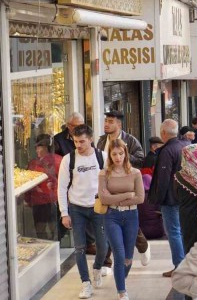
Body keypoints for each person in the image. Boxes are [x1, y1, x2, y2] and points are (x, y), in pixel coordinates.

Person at [57, 125, 108, 298]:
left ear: (91, 139)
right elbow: (61, 187)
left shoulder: (102, 157)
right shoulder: (68, 159)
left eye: (82, 141)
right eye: (76, 141)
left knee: (103, 246)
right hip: (76, 208)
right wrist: (64, 212)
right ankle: (86, 283)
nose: (78, 145)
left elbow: (110, 182)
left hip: (98, 206)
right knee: (79, 248)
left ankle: (97, 267)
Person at [97, 111, 150, 271]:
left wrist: (124, 155)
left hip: (126, 186)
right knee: (108, 225)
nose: (106, 124)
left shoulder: (130, 140)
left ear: (119, 125)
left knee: (127, 225)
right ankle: (106, 261)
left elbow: (141, 159)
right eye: (106, 121)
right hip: (108, 186)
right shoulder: (101, 141)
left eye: (110, 121)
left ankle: (143, 245)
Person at [98, 139, 145, 300]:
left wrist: (115, 198)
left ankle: (120, 278)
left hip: (131, 216)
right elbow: (104, 198)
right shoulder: (104, 173)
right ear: (110, 156)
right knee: (119, 254)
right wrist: (126, 195)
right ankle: (122, 292)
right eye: (114, 154)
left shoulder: (135, 173)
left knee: (128, 257)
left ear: (126, 154)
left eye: (120, 153)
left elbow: (140, 198)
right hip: (112, 216)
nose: (118, 157)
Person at [148, 119, 190, 277]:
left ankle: (179, 266)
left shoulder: (167, 151)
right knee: (181, 231)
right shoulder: (184, 146)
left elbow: (163, 178)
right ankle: (185, 264)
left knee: (173, 231)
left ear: (163, 133)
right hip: (185, 196)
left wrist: (157, 199)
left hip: (171, 199)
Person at [26, 138, 62, 240]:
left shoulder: (38, 163)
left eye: (38, 147)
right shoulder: (59, 159)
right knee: (52, 225)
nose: (37, 150)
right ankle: (53, 245)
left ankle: (48, 244)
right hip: (51, 199)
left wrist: (28, 199)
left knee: (42, 226)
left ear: (46, 148)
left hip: (43, 200)